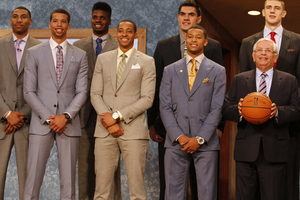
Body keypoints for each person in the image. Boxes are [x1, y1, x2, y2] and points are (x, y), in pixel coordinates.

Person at [146, 1, 223, 199]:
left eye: (191, 14)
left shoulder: (216, 65)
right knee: (172, 190)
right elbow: (161, 98)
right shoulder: (168, 63)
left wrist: (205, 135)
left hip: (204, 138)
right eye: (182, 14)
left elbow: (217, 104)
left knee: (205, 191)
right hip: (173, 135)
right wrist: (164, 129)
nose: (193, 39)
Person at [223, 38, 300, 200]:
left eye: (268, 50)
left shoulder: (289, 80)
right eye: (259, 50)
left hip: (275, 150)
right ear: (253, 56)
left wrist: (278, 112)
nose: (263, 53)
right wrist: (239, 110)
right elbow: (225, 109)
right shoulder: (239, 79)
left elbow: (297, 109)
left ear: (275, 57)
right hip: (245, 151)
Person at [23, 9, 88, 200]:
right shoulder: (34, 53)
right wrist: (50, 118)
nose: (59, 25)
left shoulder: (81, 55)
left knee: (68, 186)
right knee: (32, 182)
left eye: (63, 21)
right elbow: (29, 91)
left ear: (68, 25)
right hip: (41, 123)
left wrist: (65, 116)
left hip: (69, 124)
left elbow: (82, 91)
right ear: (50, 24)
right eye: (55, 21)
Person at [238, 1, 300, 199]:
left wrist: (284, 113)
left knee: (282, 187)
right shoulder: (248, 42)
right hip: (251, 126)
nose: (272, 11)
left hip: (284, 127)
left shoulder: (297, 41)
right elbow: (244, 82)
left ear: (284, 13)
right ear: (263, 12)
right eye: (269, 7)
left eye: (277, 7)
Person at [90, 19, 155, 200]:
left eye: (128, 31)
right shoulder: (103, 59)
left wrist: (117, 116)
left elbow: (147, 99)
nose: (124, 34)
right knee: (102, 191)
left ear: (135, 35)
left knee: (137, 192)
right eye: (120, 30)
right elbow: (95, 94)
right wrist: (109, 122)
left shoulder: (147, 61)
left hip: (133, 131)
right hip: (104, 131)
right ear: (116, 33)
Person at [73, 2, 120, 200]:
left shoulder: (119, 46)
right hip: (83, 116)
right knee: (84, 166)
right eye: (95, 17)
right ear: (91, 19)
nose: (98, 20)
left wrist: (115, 115)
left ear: (109, 20)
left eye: (102, 17)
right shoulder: (77, 46)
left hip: (110, 116)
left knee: (110, 168)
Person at [0, 6, 41, 200]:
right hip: (2, 123)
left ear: (30, 21)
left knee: (28, 182)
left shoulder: (41, 48)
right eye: (15, 17)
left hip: (27, 123)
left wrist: (22, 113)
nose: (19, 20)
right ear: (10, 21)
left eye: (23, 17)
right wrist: (7, 113)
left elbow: (43, 88)